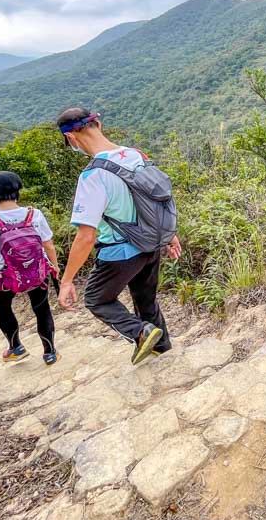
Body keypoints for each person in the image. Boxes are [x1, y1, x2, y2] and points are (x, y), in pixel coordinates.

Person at [55, 108, 182, 365]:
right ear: (98, 124)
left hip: (120, 252)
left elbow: (86, 236)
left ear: (71, 138)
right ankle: (162, 349)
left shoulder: (93, 176)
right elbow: (158, 199)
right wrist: (170, 234)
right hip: (149, 245)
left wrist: (67, 280)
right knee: (146, 301)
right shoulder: (136, 155)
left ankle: (140, 333)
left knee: (97, 299)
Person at [0, 171, 61, 365]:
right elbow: (48, 245)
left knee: (4, 310)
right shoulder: (34, 214)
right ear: (18, 190)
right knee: (42, 310)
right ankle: (50, 352)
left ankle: (16, 348)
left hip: (2, 279)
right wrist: (54, 266)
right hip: (36, 273)